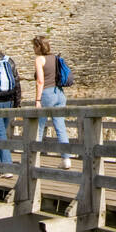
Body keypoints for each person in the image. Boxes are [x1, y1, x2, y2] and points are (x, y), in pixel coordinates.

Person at [33, 35, 72, 168]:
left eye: (34, 46)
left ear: (39, 46)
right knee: (60, 126)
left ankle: (34, 158)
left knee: (39, 126)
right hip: (60, 93)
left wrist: (38, 100)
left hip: (47, 93)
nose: (33, 49)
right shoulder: (55, 58)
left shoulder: (39, 59)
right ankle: (66, 159)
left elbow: (40, 81)